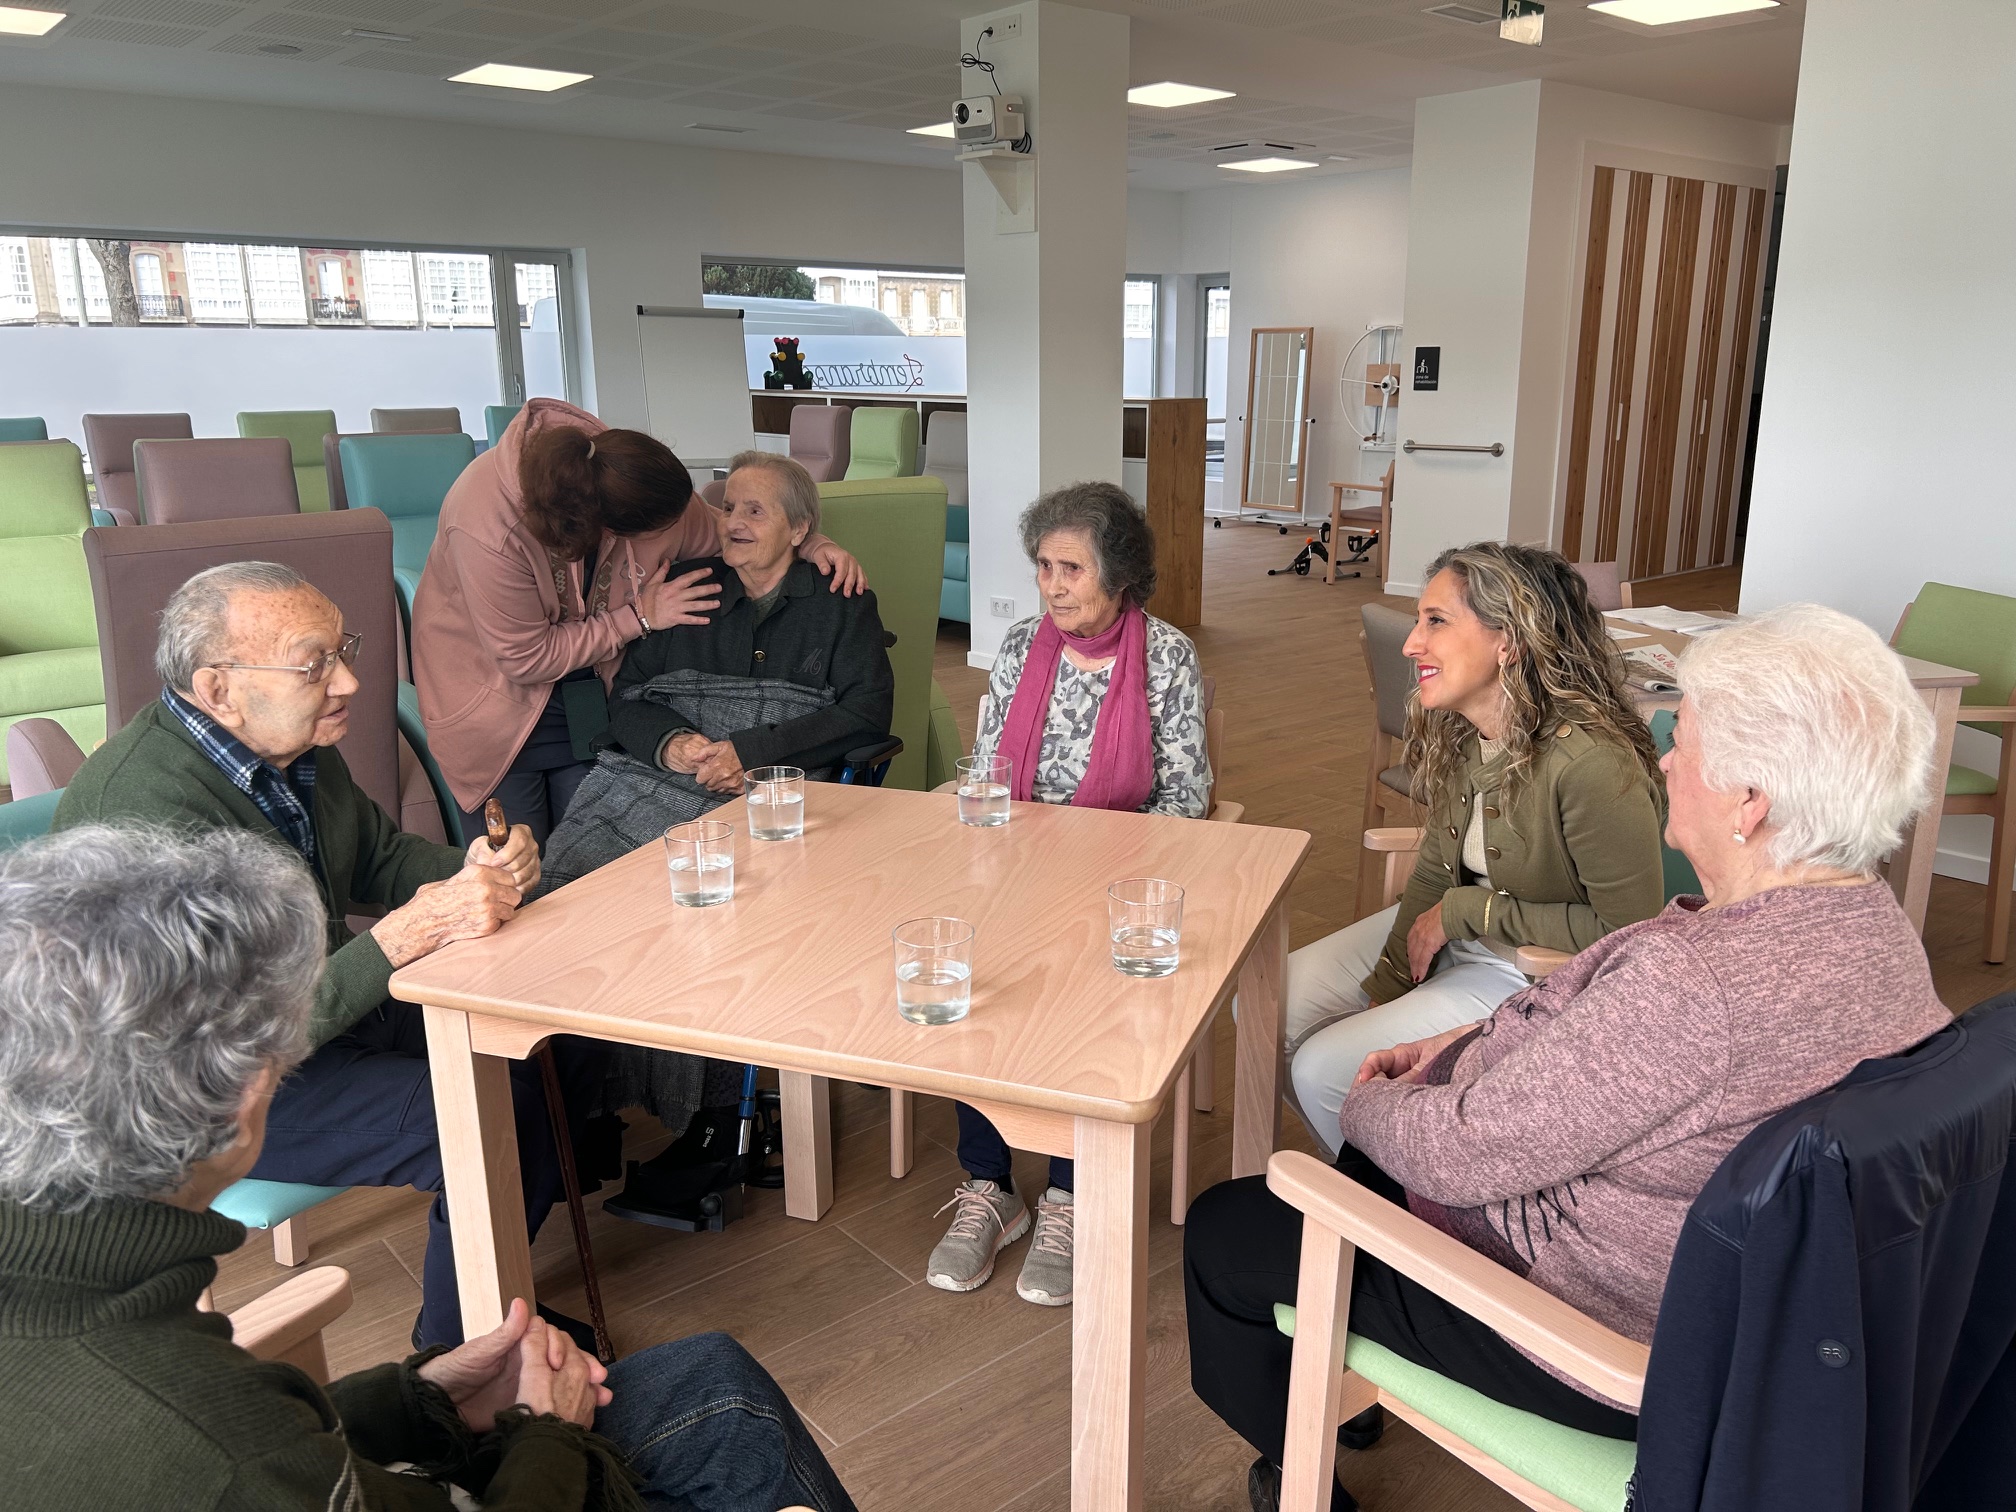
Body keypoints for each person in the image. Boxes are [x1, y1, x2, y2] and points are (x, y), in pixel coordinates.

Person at [1184, 603, 1955, 1512]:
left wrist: (1372, 1105)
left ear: (1750, 801)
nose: (1664, 761)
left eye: (1683, 740)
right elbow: (1617, 1065)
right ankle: (1336, 1385)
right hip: (1725, 1311)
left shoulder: (1699, 987)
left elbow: (1463, 1153)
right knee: (1364, 1171)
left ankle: (1302, 1464)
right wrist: (1459, 1045)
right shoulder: (1881, 935)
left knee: (1229, 1233)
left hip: (1594, 1330)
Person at [0, 824, 858, 1512]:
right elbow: (246, 1451)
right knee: (729, 1411)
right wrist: (547, 1435)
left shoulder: (85, 1307)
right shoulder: (213, 1439)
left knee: (709, 1377)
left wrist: (422, 1399)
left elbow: (260, 1437)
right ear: (247, 1088)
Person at [53, 561, 585, 1351]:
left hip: (324, 1012)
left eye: (344, 651)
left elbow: (377, 856)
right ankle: (460, 1357)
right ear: (219, 688)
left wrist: (480, 869)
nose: (349, 682)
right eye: (314, 665)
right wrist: (404, 937)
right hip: (199, 1086)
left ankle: (493, 1292)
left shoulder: (289, 742)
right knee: (483, 1115)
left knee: (542, 1038)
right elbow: (246, 1032)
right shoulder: (147, 815)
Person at [541, 451, 895, 1224]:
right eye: (728, 506)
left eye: (754, 510)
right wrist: (671, 744)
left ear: (800, 529)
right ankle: (581, 1102)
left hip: (769, 785)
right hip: (662, 772)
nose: (732, 521)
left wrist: (755, 753)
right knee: (571, 882)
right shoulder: (692, 587)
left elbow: (866, 714)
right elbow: (632, 696)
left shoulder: (840, 604)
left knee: (696, 904)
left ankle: (712, 1117)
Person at [1284, 541, 1667, 1157]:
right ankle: (1359, 1171)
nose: (1412, 644)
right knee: (1270, 1001)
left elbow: (1629, 933)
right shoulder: (1469, 732)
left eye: (1436, 621)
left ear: (1508, 641)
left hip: (1532, 971)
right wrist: (1390, 980)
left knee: (1322, 1070)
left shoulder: (1592, 766)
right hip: (1458, 938)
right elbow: (1434, 875)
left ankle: (1383, 1201)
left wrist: (1470, 912)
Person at [927, 481, 1210, 1310]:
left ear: (1118, 576)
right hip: (1013, 863)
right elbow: (988, 769)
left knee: (1081, 990)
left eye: (1072, 569)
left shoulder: (1167, 656)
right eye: (1044, 566)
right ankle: (989, 1186)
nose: (1052, 585)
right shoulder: (1022, 645)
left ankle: (1070, 1193)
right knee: (966, 972)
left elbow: (1186, 798)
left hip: (1115, 874)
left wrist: (1087, 862)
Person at [411, 398, 866, 846]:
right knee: (512, 872)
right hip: (495, 707)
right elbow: (525, 657)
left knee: (585, 858)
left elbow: (726, 531)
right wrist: (639, 617)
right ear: (606, 529)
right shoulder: (488, 524)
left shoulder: (622, 474)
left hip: (592, 700)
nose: (728, 522)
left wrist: (810, 543)